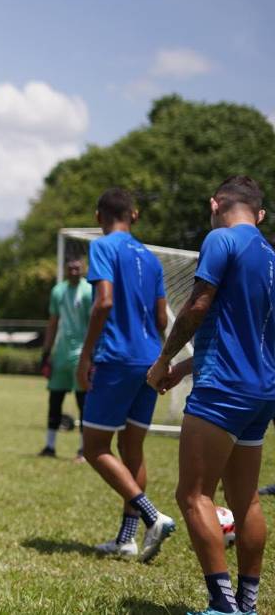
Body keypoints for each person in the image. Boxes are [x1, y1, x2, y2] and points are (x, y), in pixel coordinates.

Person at [147, 176, 274, 615]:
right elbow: (244, 329)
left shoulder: (221, 239)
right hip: (261, 391)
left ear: (215, 203)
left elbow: (200, 304)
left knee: (193, 495)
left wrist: (163, 359)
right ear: (259, 213)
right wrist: (184, 367)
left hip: (222, 389)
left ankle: (222, 606)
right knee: (246, 501)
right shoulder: (271, 255)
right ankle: (247, 604)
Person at [76, 187, 176, 562]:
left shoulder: (103, 247)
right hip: (150, 359)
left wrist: (85, 354)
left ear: (98, 215)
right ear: (134, 215)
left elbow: (103, 300)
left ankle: (153, 516)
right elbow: (164, 317)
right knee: (131, 448)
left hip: (116, 358)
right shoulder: (150, 258)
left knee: (94, 447)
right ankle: (126, 539)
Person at [39, 257, 93, 460]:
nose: (74, 271)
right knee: (55, 401)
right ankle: (50, 446)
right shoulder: (58, 291)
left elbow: (96, 323)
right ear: (65, 269)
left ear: (83, 268)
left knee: (83, 404)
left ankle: (83, 450)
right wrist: (46, 353)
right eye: (70, 267)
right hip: (60, 355)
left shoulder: (89, 290)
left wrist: (93, 354)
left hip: (82, 355)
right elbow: (52, 323)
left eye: (77, 267)